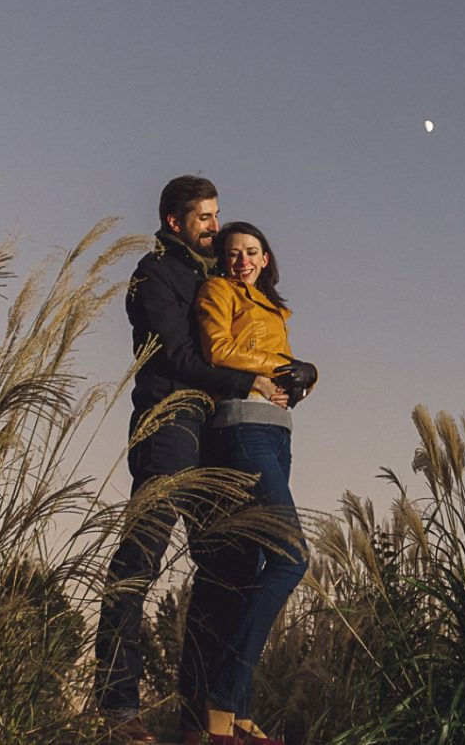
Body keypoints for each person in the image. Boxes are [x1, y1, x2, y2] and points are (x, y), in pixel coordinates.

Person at [94, 177, 289, 745]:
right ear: (176, 222)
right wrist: (245, 378)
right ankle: (116, 708)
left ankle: (199, 719)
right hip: (168, 424)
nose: (215, 225)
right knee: (140, 557)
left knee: (226, 570)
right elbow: (177, 355)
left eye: (217, 214)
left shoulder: (215, 278)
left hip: (213, 433)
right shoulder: (155, 274)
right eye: (204, 217)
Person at [188, 221, 318, 745]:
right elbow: (217, 350)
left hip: (277, 434)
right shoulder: (217, 291)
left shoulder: (276, 310)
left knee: (258, 565)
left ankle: (239, 712)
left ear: (266, 259)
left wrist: (305, 377)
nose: (242, 260)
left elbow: (286, 376)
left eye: (252, 252)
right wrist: (279, 368)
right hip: (241, 426)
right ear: (224, 261)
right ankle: (222, 698)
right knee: (291, 557)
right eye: (233, 252)